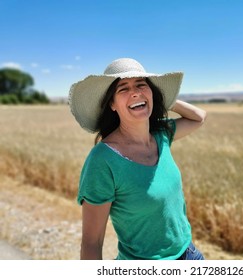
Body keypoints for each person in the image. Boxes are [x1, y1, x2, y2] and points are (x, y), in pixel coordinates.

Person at [69, 58, 207, 260]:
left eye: (141, 85)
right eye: (123, 88)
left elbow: (199, 117)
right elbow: (92, 242)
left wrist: (161, 97)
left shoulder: (161, 134)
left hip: (189, 255)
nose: (135, 92)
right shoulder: (103, 160)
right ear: (112, 105)